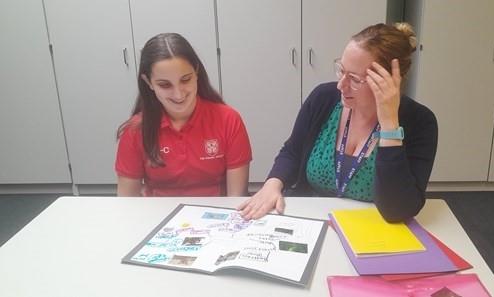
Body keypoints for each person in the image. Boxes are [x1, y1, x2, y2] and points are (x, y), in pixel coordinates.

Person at [238, 23, 437, 222]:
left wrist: (389, 126)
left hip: (372, 228)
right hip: (312, 220)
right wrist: (272, 184)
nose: (342, 85)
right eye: (341, 70)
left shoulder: (420, 122)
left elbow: (397, 211)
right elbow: (293, 151)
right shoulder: (323, 98)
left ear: (390, 82)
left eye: (355, 79)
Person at [115, 33, 252, 197]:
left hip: (215, 218)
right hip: (158, 216)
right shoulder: (135, 130)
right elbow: (127, 203)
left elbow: (236, 200)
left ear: (196, 72)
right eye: (165, 85)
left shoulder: (228, 120)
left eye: (185, 80)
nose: (178, 94)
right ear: (148, 82)